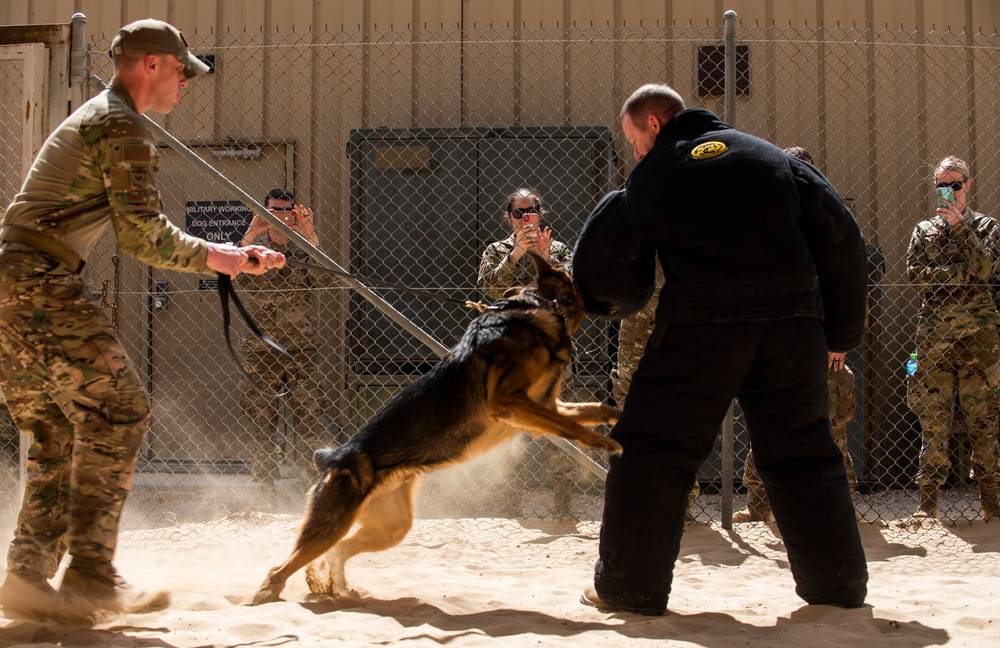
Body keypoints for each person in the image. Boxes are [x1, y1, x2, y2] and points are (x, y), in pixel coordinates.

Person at [0, 19, 285, 620]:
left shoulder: (103, 116)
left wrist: (224, 257)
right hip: (38, 283)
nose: (187, 83)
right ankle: (91, 574)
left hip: (14, 284)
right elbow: (141, 235)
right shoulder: (122, 124)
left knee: (58, 434)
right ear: (151, 64)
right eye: (183, 70)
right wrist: (225, 256)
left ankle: (27, 578)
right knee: (119, 410)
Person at [572, 83, 868, 615]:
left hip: (702, 328)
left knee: (651, 451)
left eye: (633, 139)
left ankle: (627, 586)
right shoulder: (776, 161)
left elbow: (602, 269)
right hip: (793, 328)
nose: (635, 151)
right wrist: (840, 334)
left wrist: (610, 301)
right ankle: (838, 586)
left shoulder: (656, 175)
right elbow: (844, 243)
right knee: (804, 452)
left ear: (654, 125)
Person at [733, 146, 860, 522]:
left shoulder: (829, 224)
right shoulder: (768, 223)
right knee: (768, 420)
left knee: (831, 424)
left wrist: (839, 343)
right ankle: (757, 504)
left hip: (821, 341)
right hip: (777, 339)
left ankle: (842, 503)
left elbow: (848, 285)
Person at [906, 155, 1000, 521]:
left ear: (968, 185)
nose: (948, 192)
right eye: (941, 186)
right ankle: (926, 505)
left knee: (984, 422)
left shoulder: (987, 228)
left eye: (955, 185)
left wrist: (960, 229)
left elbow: (988, 269)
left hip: (980, 340)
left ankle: (991, 504)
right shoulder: (923, 230)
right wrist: (963, 275)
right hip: (935, 338)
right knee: (934, 421)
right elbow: (917, 277)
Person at [478, 188, 574, 517]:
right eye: (518, 213)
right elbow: (489, 288)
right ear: (509, 217)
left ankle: (563, 507)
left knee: (556, 429)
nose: (525, 218)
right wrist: (516, 254)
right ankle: (511, 508)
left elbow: (569, 295)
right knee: (509, 431)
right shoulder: (497, 250)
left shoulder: (558, 249)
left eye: (531, 210)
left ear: (540, 213)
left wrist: (545, 260)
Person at [238, 189, 329, 506]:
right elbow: (234, 271)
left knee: (310, 421)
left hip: (300, 351)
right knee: (262, 425)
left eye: (286, 211)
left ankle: (313, 489)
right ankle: (266, 491)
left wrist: (308, 232)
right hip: (261, 352)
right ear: (264, 212)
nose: (280, 216)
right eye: (273, 211)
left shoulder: (303, 251)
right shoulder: (256, 251)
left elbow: (324, 280)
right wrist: (252, 232)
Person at [612, 260, 700, 522]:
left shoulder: (689, 233)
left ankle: (681, 506)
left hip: (681, 327)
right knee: (632, 418)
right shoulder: (635, 228)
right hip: (636, 333)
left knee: (680, 421)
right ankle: (634, 502)